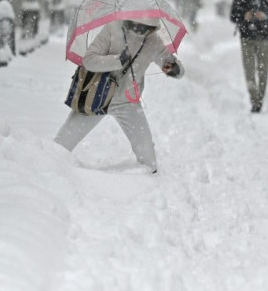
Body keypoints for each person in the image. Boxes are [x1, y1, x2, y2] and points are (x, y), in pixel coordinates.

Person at [54, 17, 184, 174]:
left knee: (149, 163)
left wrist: (175, 69)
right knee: (58, 149)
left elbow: (174, 65)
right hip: (96, 98)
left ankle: (149, 185)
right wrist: (118, 60)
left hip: (128, 103)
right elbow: (89, 60)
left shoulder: (153, 40)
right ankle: (46, 175)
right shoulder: (112, 28)